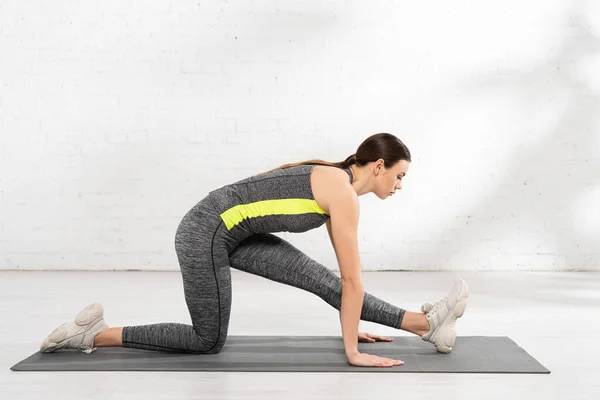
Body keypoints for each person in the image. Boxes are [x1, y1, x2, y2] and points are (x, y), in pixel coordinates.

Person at [39, 132, 469, 368]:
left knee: (321, 281)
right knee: (207, 340)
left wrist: (350, 322)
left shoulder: (334, 178)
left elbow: (342, 286)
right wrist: (352, 351)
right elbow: (354, 279)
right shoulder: (341, 194)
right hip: (205, 233)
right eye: (399, 176)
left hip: (234, 232)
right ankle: (92, 334)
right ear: (378, 167)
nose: (399, 186)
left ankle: (424, 324)